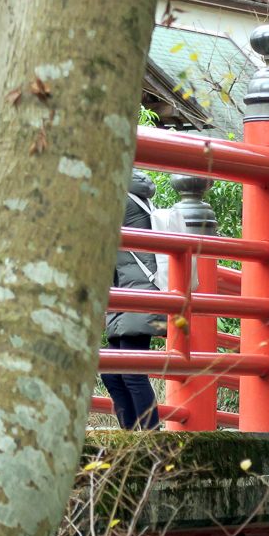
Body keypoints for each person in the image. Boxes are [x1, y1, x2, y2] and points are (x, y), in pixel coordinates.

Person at [101, 170, 166, 430]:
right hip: (125, 292)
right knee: (112, 372)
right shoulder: (126, 191)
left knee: (129, 371)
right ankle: (129, 439)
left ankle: (152, 438)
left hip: (139, 292)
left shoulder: (119, 196)